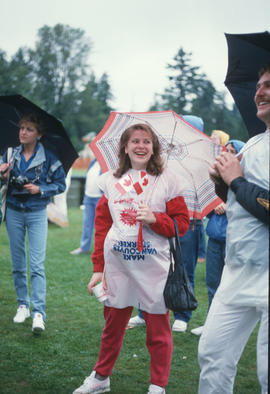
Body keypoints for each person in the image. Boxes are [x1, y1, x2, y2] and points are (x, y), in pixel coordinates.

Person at [73, 123, 190, 394]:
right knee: (113, 326)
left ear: (154, 148)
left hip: (155, 269)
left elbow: (181, 224)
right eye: (135, 141)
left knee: (158, 330)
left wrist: (155, 219)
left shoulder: (168, 180)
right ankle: (101, 378)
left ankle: (157, 385)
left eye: (146, 141)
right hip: (119, 268)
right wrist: (98, 268)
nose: (140, 146)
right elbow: (102, 226)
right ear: (125, 147)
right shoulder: (111, 180)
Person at [198, 65, 269, 394]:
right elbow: (239, 202)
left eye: (269, 85)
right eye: (258, 85)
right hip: (238, 270)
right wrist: (221, 183)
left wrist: (236, 179)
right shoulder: (253, 143)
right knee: (212, 354)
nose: (259, 91)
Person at [128, 115, 210, 333]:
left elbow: (206, 190)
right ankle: (144, 312)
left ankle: (182, 314)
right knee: (150, 268)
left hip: (190, 221)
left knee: (183, 270)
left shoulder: (201, 161)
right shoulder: (159, 158)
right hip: (158, 221)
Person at [0, 113, 66, 334]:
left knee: (37, 265)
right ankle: (22, 305)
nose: (22, 132)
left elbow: (61, 184)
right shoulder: (10, 153)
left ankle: (39, 312)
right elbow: (2, 176)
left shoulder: (49, 157)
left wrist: (41, 189)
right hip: (14, 211)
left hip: (37, 212)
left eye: (29, 129)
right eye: (21, 128)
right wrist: (2, 174)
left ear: (39, 134)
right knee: (18, 263)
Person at [191, 139, 245, 336]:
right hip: (214, 239)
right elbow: (204, 205)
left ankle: (230, 328)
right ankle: (211, 326)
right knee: (213, 283)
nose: (228, 153)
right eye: (226, 149)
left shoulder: (244, 179)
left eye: (233, 151)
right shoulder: (216, 178)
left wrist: (228, 206)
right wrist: (214, 206)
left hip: (235, 241)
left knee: (231, 285)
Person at [70, 157, 102, 255]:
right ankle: (84, 247)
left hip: (100, 198)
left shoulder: (107, 165)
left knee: (100, 226)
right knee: (87, 224)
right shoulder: (93, 162)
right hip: (89, 197)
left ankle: (100, 249)